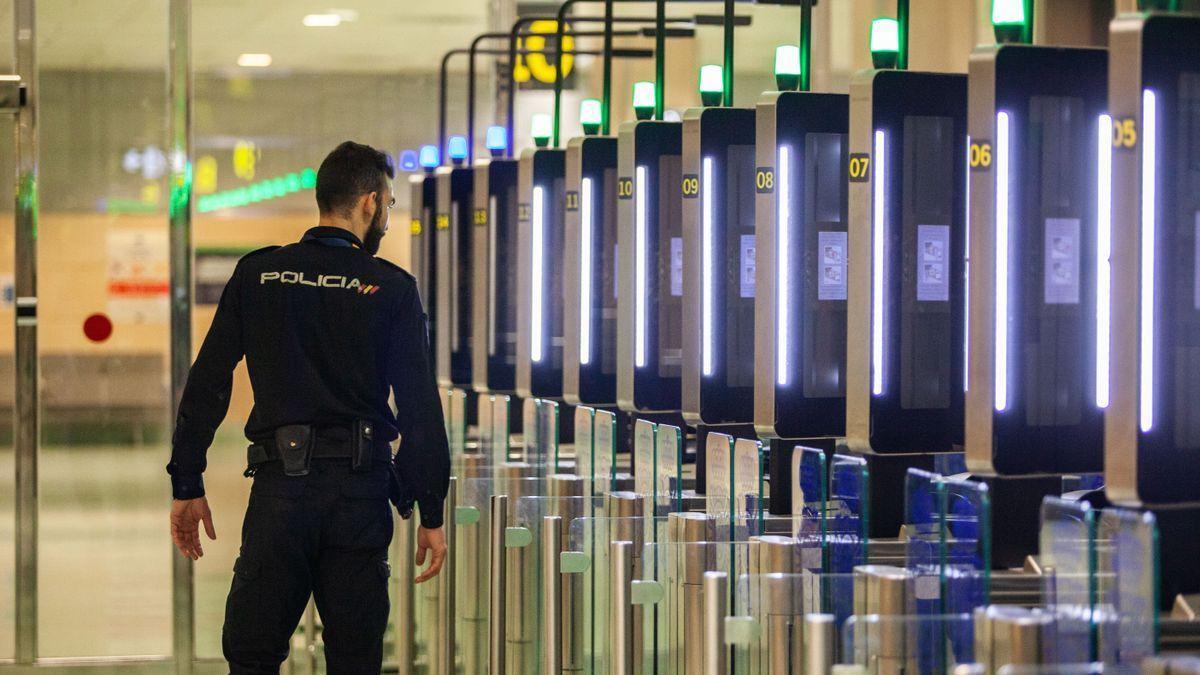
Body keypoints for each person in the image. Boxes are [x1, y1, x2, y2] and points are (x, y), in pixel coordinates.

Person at [166, 141, 451, 673]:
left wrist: (188, 481)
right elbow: (419, 409)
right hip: (359, 496)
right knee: (355, 658)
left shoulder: (260, 275)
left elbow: (208, 381)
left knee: (252, 654)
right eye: (387, 204)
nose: (385, 215)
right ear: (370, 203)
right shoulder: (390, 288)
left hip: (281, 494)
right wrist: (430, 509)